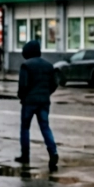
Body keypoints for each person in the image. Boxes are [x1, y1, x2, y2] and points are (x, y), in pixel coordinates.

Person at [16, 39, 59, 171]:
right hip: (44, 102)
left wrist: (21, 96)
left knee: (25, 128)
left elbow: (23, 85)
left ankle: (25, 155)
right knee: (45, 127)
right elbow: (54, 83)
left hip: (29, 102)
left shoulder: (26, 65)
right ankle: (53, 152)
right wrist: (47, 93)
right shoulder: (48, 65)